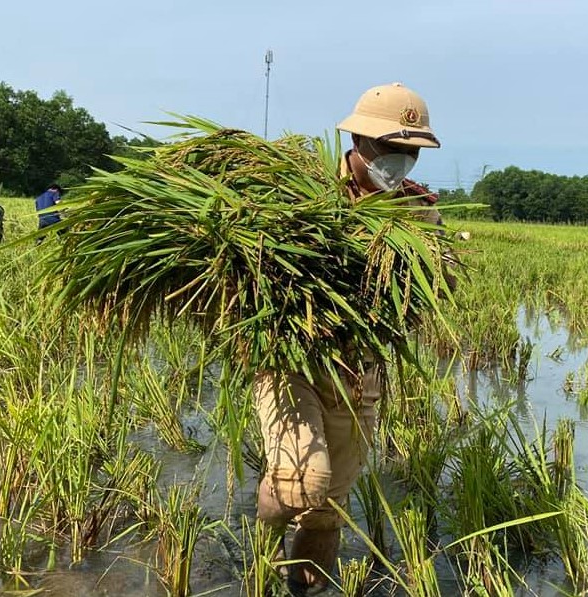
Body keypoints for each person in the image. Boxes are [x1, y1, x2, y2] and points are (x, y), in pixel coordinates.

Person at [254, 82, 446, 595]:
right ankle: (260, 547)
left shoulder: (418, 211)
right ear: (358, 141)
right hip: (294, 363)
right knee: (301, 483)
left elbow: (431, 289)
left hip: (361, 375)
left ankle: (305, 588)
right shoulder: (306, 195)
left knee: (326, 509)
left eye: (411, 152)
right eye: (391, 148)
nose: (401, 161)